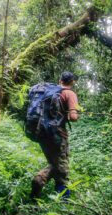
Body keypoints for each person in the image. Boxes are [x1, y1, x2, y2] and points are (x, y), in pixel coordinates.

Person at [30, 71, 79, 200]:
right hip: (57, 135)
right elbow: (73, 117)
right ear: (72, 82)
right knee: (62, 169)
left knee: (54, 163)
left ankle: (38, 185)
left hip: (42, 133)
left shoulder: (50, 91)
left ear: (60, 80)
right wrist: (75, 113)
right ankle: (63, 203)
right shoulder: (69, 93)